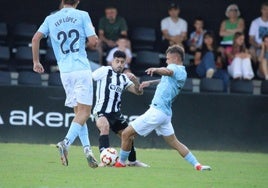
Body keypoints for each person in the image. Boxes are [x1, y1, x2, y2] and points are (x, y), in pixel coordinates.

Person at [114, 44, 211, 171]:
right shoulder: (182, 73)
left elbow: (167, 71)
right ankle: (197, 165)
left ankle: (121, 163)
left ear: (175, 59)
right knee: (175, 143)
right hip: (165, 114)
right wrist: (151, 82)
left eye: (168, 59)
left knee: (126, 134)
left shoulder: (173, 68)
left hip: (157, 111)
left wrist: (156, 69)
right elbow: (166, 78)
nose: (166, 61)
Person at [32, 0, 99, 168]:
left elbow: (35, 39)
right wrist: (90, 39)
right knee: (85, 112)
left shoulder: (51, 18)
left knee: (78, 112)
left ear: (62, 1)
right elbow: (93, 42)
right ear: (77, 1)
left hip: (65, 72)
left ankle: (87, 150)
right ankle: (66, 143)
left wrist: (36, 62)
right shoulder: (83, 15)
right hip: (81, 69)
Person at [92, 50, 149, 167]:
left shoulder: (124, 78)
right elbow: (89, 79)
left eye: (122, 62)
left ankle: (132, 161)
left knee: (129, 136)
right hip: (101, 111)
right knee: (104, 127)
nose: (119, 64)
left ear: (125, 64)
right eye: (117, 61)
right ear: (112, 61)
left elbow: (139, 92)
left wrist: (135, 81)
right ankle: (104, 160)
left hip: (116, 114)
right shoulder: (104, 70)